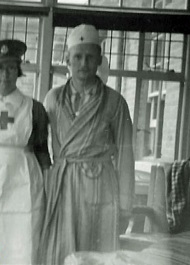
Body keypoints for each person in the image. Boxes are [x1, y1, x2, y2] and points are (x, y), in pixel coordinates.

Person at [40, 24, 135, 264]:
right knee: (60, 251)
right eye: (78, 57)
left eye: (90, 57)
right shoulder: (53, 99)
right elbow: (39, 145)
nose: (84, 63)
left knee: (97, 256)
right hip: (62, 186)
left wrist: (125, 206)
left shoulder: (115, 102)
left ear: (100, 59)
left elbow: (125, 155)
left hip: (100, 187)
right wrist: (45, 187)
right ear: (67, 61)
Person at [0, 39, 51, 264]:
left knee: (24, 243)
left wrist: (49, 189)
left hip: (24, 183)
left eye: (11, 68)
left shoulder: (34, 108)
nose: (5, 75)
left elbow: (43, 153)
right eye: (0, 68)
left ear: (18, 71)